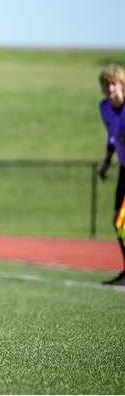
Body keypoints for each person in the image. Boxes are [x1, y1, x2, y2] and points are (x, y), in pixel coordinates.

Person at [97, 64, 125, 286]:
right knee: (119, 221)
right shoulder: (105, 108)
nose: (110, 88)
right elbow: (112, 137)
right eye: (106, 84)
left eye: (113, 83)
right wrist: (107, 162)